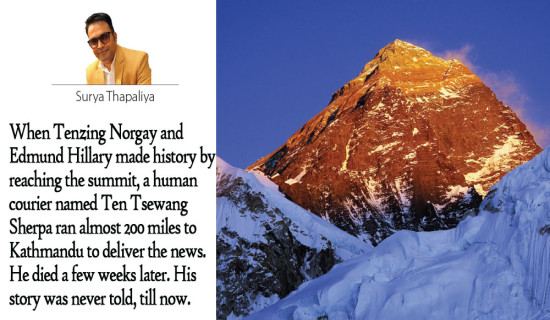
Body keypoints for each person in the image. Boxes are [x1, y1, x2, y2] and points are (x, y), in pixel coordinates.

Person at [85, 13, 151, 85]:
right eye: (94, 41)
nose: (100, 46)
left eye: (104, 37)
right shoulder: (90, 72)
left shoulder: (139, 61)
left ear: (115, 37)